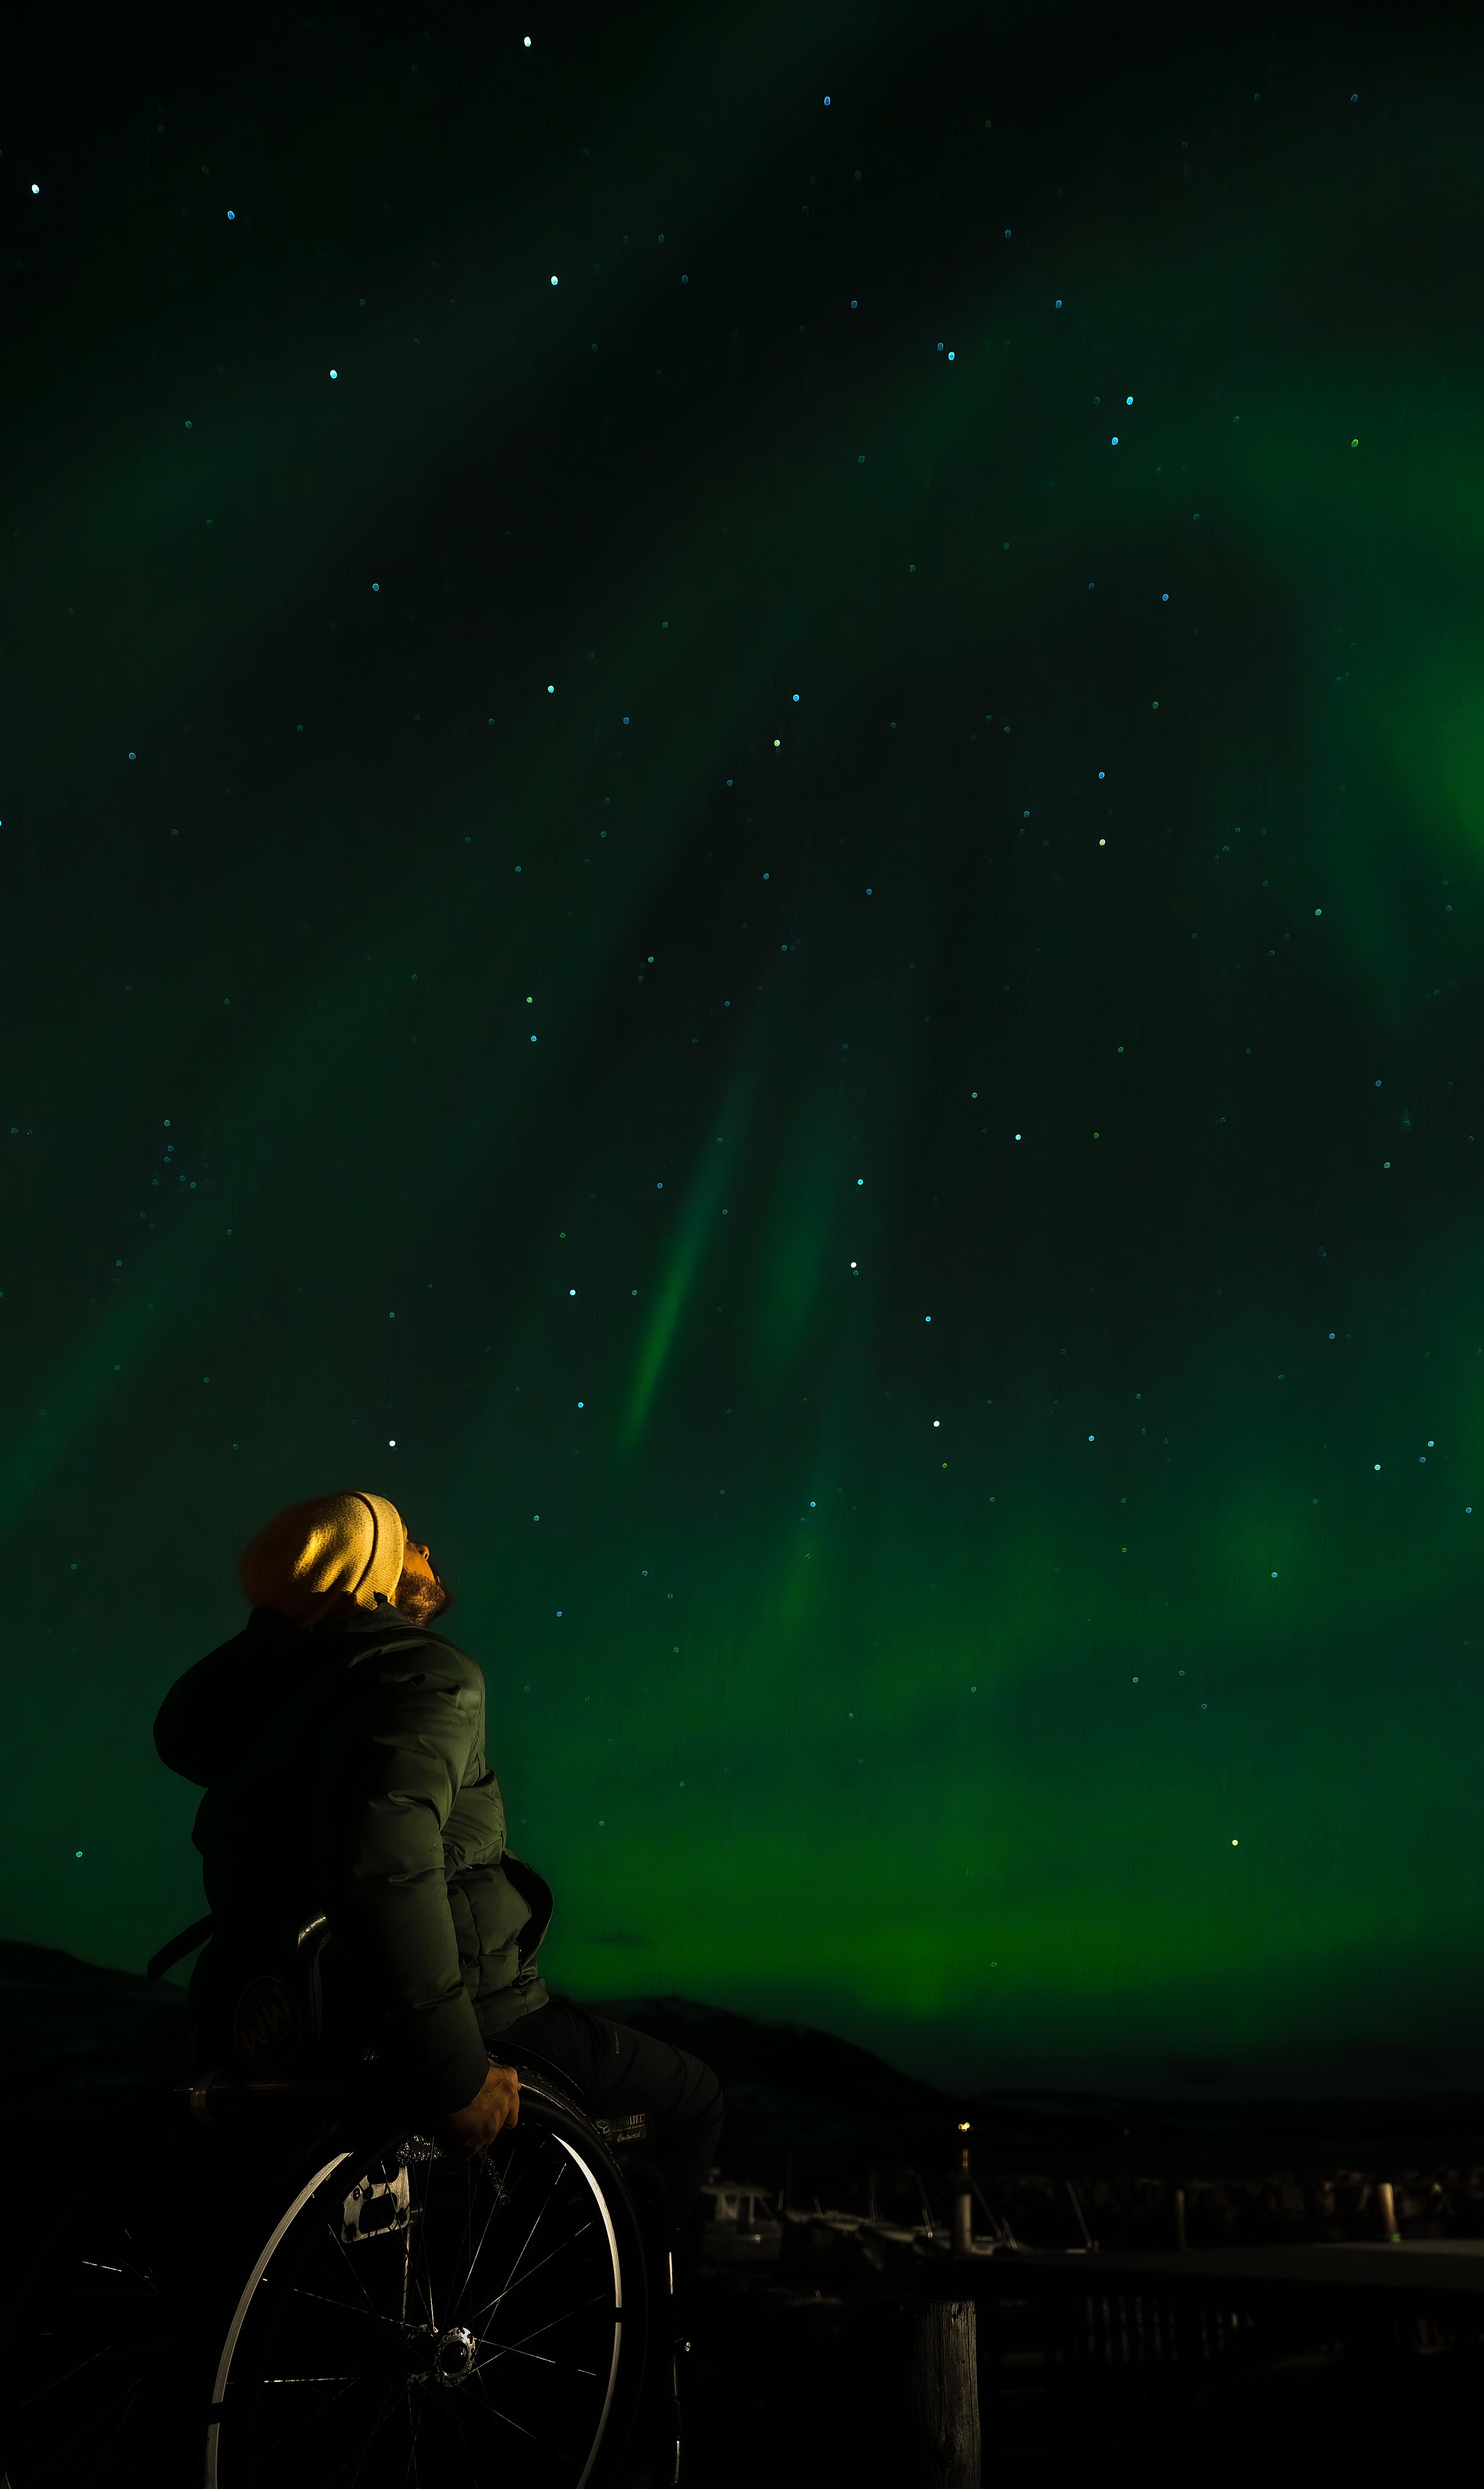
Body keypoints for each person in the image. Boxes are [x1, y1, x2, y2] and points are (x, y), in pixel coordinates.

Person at [153, 1489, 724, 2484]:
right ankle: (602, 2356)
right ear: (366, 1571)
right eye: (405, 1537)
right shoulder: (423, 1673)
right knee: (690, 2099)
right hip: (440, 2006)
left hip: (285, 2006)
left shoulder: (276, 1692)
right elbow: (387, 1864)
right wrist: (455, 2074)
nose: (429, 1551)